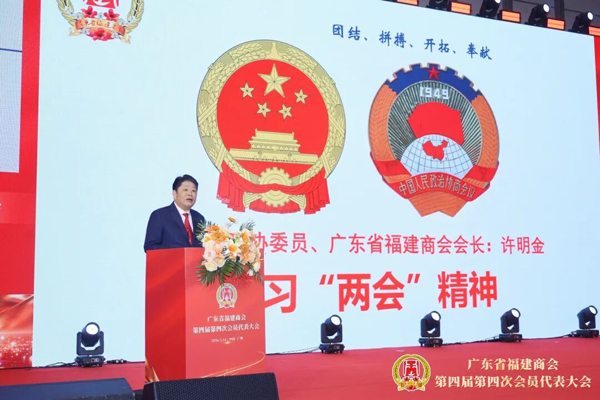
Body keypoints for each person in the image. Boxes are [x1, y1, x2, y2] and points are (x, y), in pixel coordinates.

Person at [144, 175, 205, 252]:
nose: (190, 193)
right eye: (185, 190)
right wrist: (175, 253)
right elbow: (150, 247)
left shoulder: (199, 218)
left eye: (193, 191)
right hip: (169, 260)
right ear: (175, 194)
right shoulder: (160, 215)